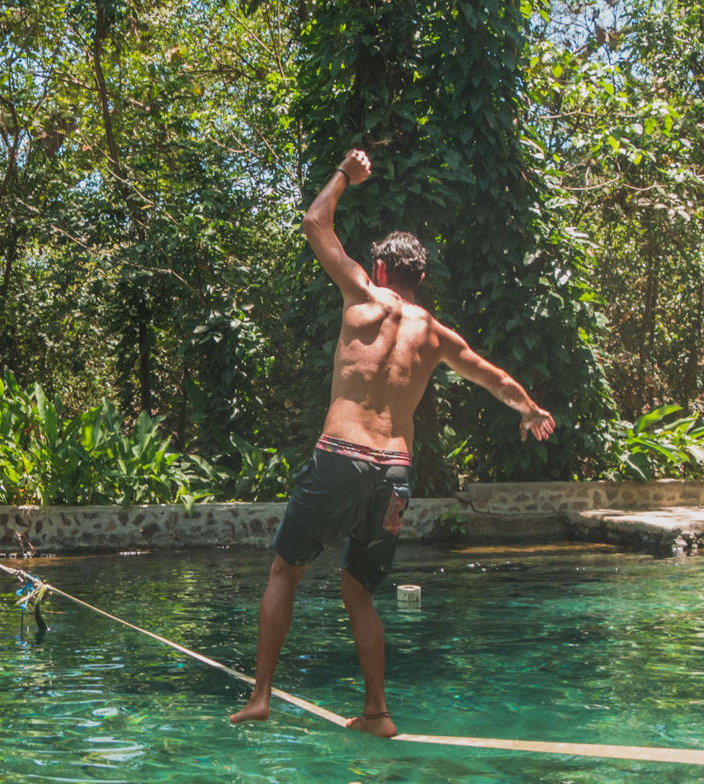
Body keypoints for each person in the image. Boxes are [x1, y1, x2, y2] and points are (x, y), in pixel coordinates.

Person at [229, 149, 556, 738]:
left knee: (285, 571)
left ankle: (259, 698)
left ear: (379, 270)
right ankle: (377, 712)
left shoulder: (361, 295)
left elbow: (313, 222)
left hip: (343, 458)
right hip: (396, 477)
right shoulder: (434, 333)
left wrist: (345, 177)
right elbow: (494, 377)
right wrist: (530, 410)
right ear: (420, 280)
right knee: (359, 592)